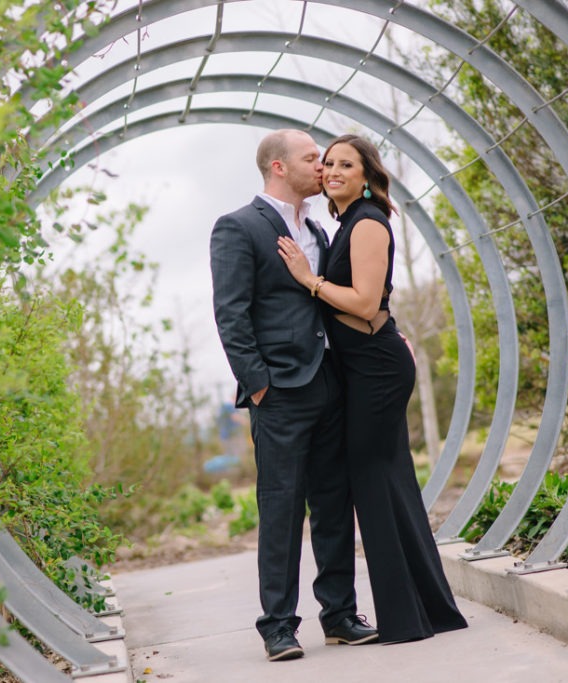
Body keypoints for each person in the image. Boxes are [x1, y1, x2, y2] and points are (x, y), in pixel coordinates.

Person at [277, 134, 469, 643]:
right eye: (328, 163)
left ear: (366, 176)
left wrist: (308, 279)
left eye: (346, 164)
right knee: (389, 483)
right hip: (364, 367)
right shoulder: (342, 225)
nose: (333, 170)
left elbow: (363, 302)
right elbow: (379, 299)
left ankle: (409, 618)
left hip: (377, 372)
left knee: (374, 483)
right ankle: (428, 608)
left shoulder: (366, 222)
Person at [210, 129, 378, 662]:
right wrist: (258, 384)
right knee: (281, 509)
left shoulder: (321, 231)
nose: (323, 166)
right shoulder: (238, 227)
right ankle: (278, 626)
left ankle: (340, 615)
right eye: (312, 159)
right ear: (279, 167)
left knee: (334, 503)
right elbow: (231, 313)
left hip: (330, 383)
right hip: (278, 392)